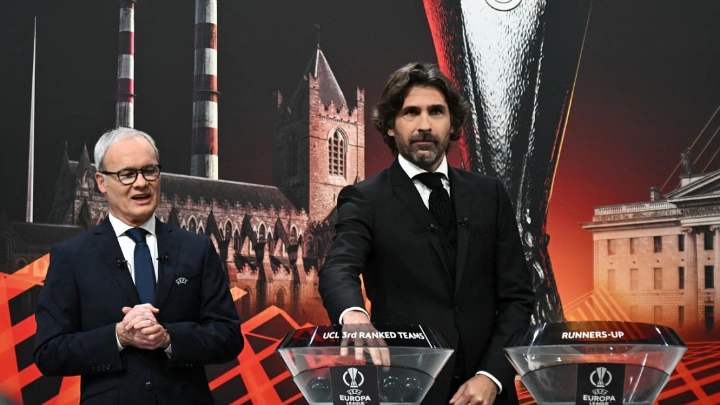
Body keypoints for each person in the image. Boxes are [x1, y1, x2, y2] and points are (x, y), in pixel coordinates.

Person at [318, 63, 534, 405]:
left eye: (436, 112)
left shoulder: (489, 194)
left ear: (453, 124)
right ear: (390, 126)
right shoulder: (365, 198)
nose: (424, 125)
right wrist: (353, 314)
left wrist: (491, 377)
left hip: (489, 396)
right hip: (407, 393)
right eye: (410, 113)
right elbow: (338, 268)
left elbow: (518, 299)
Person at [34, 128, 244, 405]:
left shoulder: (197, 249)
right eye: (127, 174)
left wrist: (168, 339)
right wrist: (118, 337)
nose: (141, 183)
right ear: (100, 181)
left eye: (149, 171)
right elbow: (49, 353)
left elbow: (228, 337)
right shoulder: (71, 256)